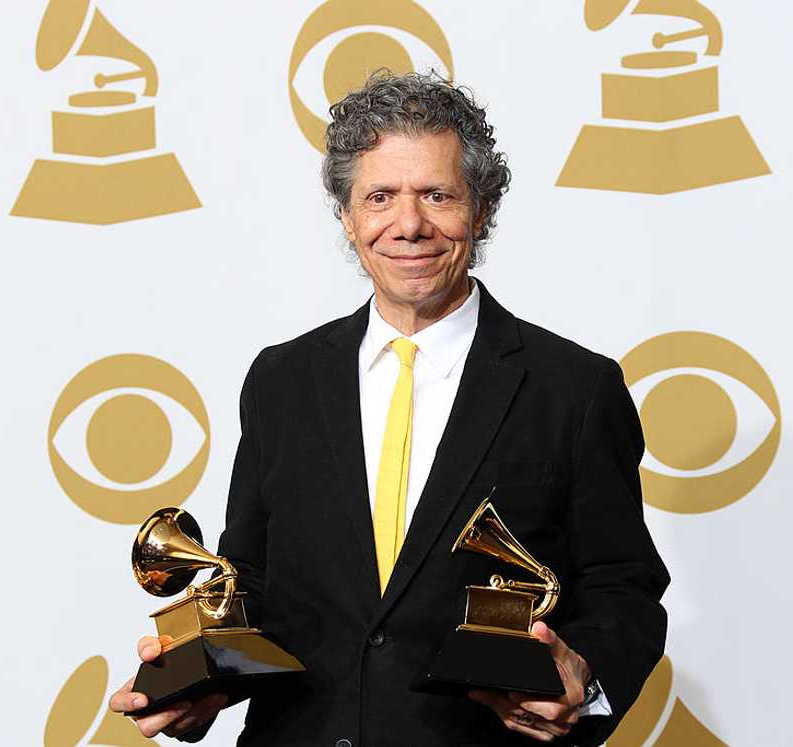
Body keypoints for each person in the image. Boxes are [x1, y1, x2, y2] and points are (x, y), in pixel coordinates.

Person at [109, 71, 668, 746]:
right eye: (380, 197)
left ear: (481, 208)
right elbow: (251, 579)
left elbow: (623, 585)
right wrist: (205, 687)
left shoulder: (574, 388)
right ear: (347, 215)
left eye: (437, 194)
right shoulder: (280, 380)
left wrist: (584, 672)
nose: (409, 224)